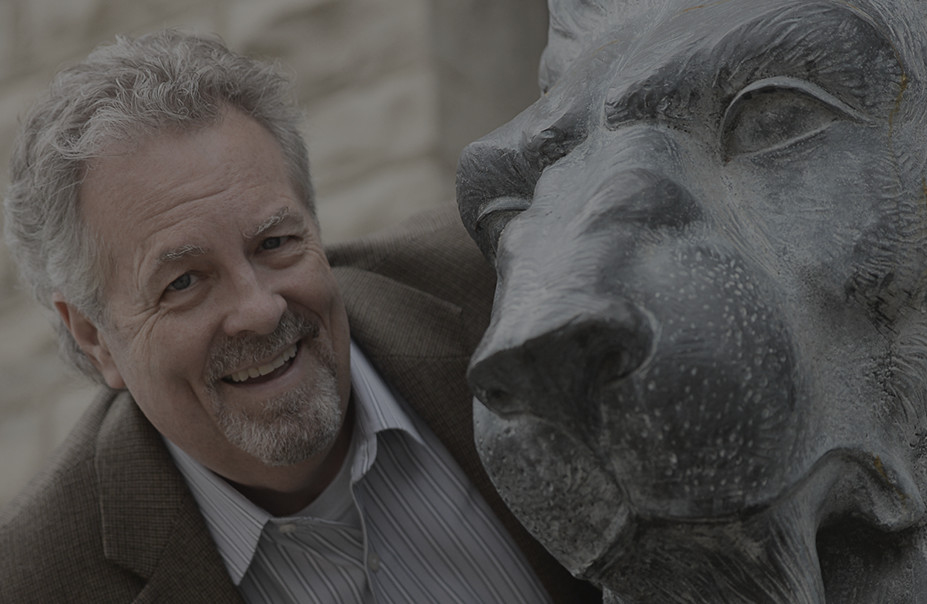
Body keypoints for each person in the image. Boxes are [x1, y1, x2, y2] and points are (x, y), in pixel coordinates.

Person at [0, 30, 598, 603]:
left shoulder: (515, 270)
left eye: (275, 243)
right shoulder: (37, 583)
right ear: (94, 336)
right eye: (183, 282)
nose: (260, 311)